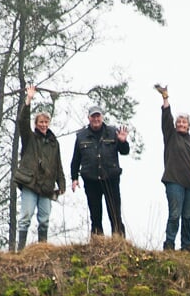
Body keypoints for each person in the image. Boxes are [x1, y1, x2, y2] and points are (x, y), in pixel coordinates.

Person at [12, 85, 65, 249]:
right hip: (30, 183)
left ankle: (42, 249)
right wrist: (28, 100)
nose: (43, 124)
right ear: (36, 123)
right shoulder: (29, 138)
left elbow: (58, 165)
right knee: (26, 217)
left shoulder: (54, 143)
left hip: (47, 187)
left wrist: (61, 184)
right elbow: (22, 121)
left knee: (44, 219)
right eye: (41, 122)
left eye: (46, 122)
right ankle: (20, 250)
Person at [69, 104, 131, 237]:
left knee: (115, 213)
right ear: (89, 118)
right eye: (93, 116)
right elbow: (75, 160)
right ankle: (97, 242)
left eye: (98, 116)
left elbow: (125, 151)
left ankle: (119, 241)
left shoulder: (113, 132)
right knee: (95, 215)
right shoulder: (81, 136)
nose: (96, 119)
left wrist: (122, 141)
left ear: (102, 117)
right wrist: (74, 178)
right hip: (91, 180)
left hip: (111, 179)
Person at [156, 85, 190, 251]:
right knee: (175, 214)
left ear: (189, 125)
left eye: (184, 122)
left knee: (188, 216)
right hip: (174, 181)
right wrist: (165, 98)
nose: (181, 124)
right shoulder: (171, 135)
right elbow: (166, 118)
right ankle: (169, 244)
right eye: (179, 121)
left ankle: (186, 245)